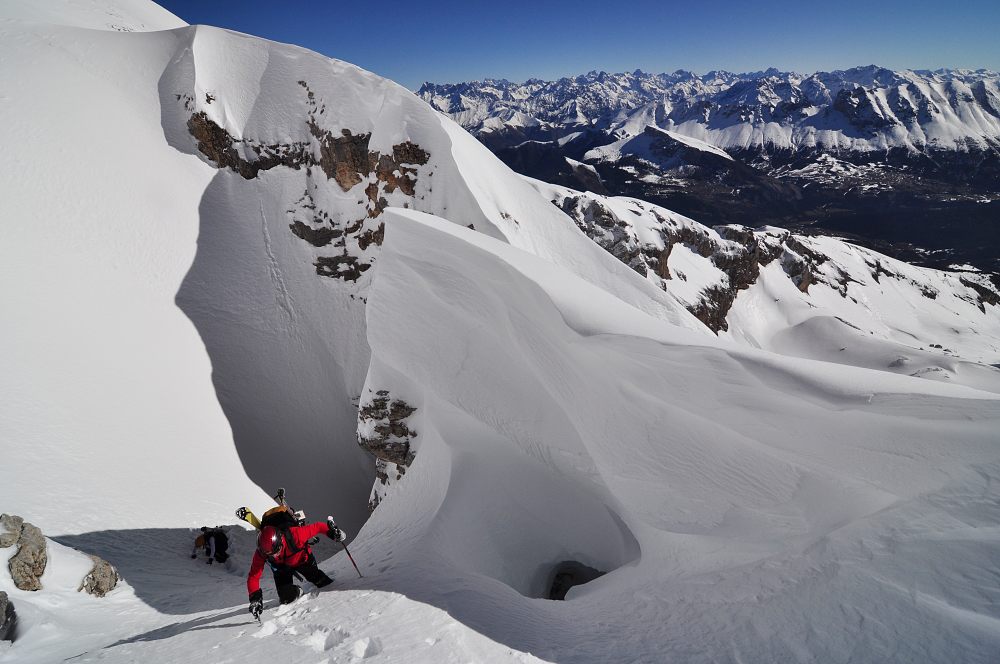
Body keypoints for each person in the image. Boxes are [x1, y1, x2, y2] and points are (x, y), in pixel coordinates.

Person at [247, 516, 345, 619]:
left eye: (276, 552)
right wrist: (255, 599)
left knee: (321, 581)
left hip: (302, 560)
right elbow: (253, 575)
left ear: (280, 541)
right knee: (286, 598)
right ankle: (299, 591)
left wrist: (333, 534)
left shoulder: (296, 534)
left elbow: (318, 527)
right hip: (281, 568)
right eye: (270, 555)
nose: (274, 556)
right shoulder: (262, 552)